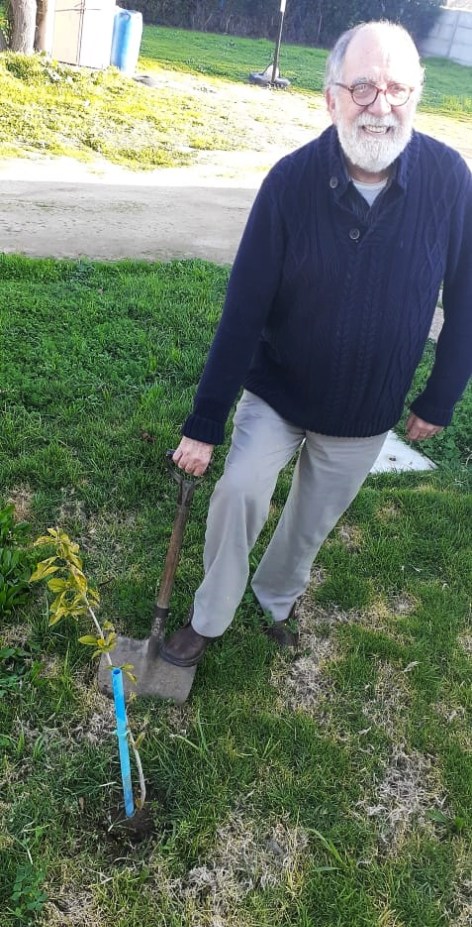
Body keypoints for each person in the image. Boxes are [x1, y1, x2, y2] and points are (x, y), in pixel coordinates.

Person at [161, 20, 472, 668]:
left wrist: (440, 395)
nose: (380, 105)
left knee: (309, 522)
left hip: (366, 408)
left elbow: (467, 296)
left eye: (397, 88)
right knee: (240, 491)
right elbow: (243, 311)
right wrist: (205, 422)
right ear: (330, 98)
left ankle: (275, 598)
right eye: (362, 88)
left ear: (416, 95)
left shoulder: (450, 181)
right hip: (279, 390)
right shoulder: (289, 183)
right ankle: (209, 616)